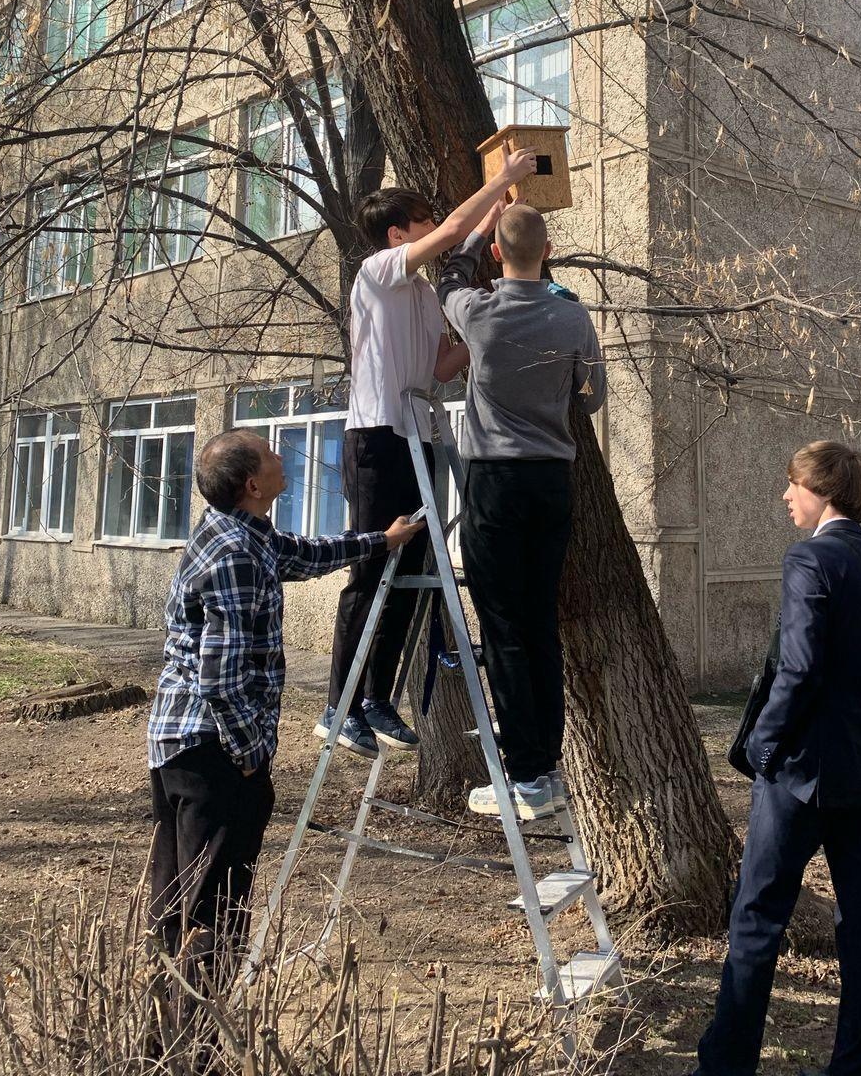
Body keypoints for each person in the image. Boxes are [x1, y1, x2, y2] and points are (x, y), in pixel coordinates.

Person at [147, 429, 422, 987]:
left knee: (177, 905)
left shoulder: (244, 536)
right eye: (270, 454)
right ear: (253, 484)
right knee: (211, 915)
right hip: (213, 756)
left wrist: (382, 541)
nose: (281, 455)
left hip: (183, 747)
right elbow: (220, 678)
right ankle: (194, 1050)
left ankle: (161, 1041)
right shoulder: (234, 557)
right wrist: (250, 759)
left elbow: (306, 554)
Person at [694, 441, 861, 1076]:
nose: (785, 496)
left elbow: (797, 670)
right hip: (859, 771)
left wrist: (764, 748)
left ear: (821, 490)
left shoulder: (809, 559)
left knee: (756, 920)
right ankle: (856, 1066)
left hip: (798, 774)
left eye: (792, 484)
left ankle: (724, 1066)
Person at [317, 149, 537, 757]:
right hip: (377, 438)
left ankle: (377, 697)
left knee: (409, 576)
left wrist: (495, 329)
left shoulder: (419, 293)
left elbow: (442, 364)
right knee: (371, 570)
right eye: (421, 220)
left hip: (418, 436)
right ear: (396, 234)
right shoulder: (377, 271)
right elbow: (449, 235)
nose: (433, 225)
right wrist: (503, 181)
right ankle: (339, 704)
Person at [437, 200, 605, 821]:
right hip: (553, 482)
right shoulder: (572, 317)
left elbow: (449, 275)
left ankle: (527, 773)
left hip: (497, 482)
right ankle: (547, 767)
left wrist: (482, 223)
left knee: (504, 625)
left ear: (499, 255)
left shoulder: (480, 313)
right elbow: (591, 400)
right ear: (550, 249)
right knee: (538, 623)